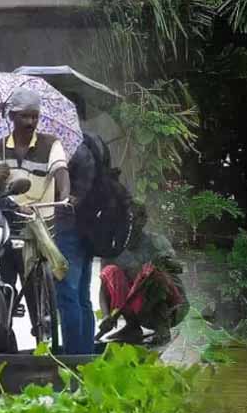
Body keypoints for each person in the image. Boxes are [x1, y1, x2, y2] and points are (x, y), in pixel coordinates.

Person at [0, 87, 71, 339]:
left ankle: (43, 336)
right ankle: (3, 337)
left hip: (39, 225)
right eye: (25, 117)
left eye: (35, 116)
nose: (31, 122)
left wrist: (64, 197)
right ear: (11, 117)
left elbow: (61, 171)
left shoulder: (51, 144)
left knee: (35, 288)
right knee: (6, 285)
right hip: (8, 227)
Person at [96, 203, 189, 346]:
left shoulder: (155, 241)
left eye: (132, 220)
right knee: (111, 272)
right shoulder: (111, 249)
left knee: (153, 274)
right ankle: (132, 326)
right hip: (133, 307)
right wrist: (107, 316)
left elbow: (179, 268)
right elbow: (104, 287)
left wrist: (162, 262)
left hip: (167, 308)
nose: (128, 225)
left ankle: (161, 328)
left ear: (143, 220)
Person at [55, 93, 100, 355]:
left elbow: (72, 195)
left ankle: (72, 357)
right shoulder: (94, 141)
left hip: (69, 226)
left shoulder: (71, 147)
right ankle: (85, 354)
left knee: (67, 295)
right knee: (82, 296)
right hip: (90, 227)